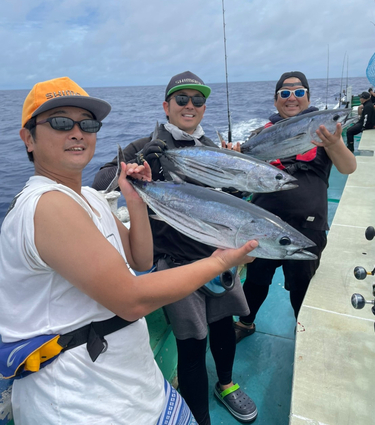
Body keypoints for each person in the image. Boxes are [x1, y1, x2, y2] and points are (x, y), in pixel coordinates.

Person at [0, 76, 259, 425]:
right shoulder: (46, 205)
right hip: (83, 404)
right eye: (61, 122)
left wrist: (136, 201)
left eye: (87, 124)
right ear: (28, 138)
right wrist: (223, 261)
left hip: (138, 388)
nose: (77, 132)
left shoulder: (89, 199)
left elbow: (141, 260)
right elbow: (131, 299)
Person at [93, 71, 258, 425]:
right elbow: (100, 181)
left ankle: (226, 385)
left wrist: (238, 177)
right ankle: (199, 416)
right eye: (181, 99)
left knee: (225, 326)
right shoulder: (145, 145)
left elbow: (232, 203)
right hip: (175, 265)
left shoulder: (214, 151)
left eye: (197, 100)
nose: (190, 106)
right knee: (193, 341)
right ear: (166, 107)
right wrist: (141, 164)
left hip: (219, 257)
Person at [234, 71, 356, 343]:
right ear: (276, 101)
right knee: (255, 280)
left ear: (308, 98)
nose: (292, 98)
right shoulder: (260, 135)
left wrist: (334, 142)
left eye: (299, 92)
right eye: (285, 93)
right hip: (262, 223)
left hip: (308, 227)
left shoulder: (325, 130)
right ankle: (246, 321)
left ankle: (301, 327)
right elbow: (243, 174)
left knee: (301, 285)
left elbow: (348, 167)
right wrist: (232, 156)